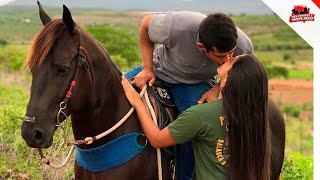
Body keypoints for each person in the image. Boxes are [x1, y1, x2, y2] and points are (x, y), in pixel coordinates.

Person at [125, 11, 253, 179]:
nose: (227, 59)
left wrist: (215, 89)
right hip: (158, 69)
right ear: (201, 47)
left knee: (194, 133)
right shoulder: (177, 27)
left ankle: (183, 176)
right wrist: (147, 68)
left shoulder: (243, 45)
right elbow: (145, 24)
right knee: (112, 93)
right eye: (220, 56)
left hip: (193, 84)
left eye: (231, 53)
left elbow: (240, 70)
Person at [121, 54, 271, 180]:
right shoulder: (254, 117)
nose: (228, 57)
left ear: (230, 77)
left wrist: (137, 102)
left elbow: (157, 139)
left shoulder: (200, 115)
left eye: (231, 60)